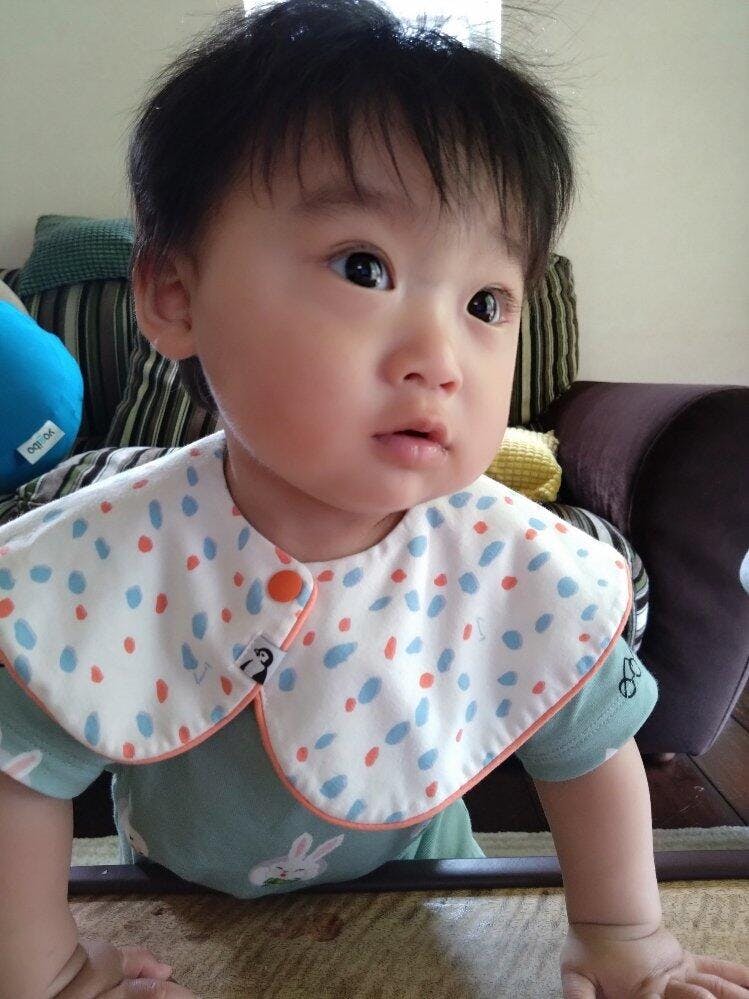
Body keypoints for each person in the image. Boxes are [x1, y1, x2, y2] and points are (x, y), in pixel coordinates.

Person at [0, 2, 746, 997]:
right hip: (169, 887)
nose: (439, 357)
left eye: (484, 303)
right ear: (175, 296)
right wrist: (49, 970)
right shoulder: (115, 547)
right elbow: (21, 764)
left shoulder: (508, 560)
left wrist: (624, 935)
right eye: (364, 268)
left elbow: (589, 745)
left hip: (429, 878)